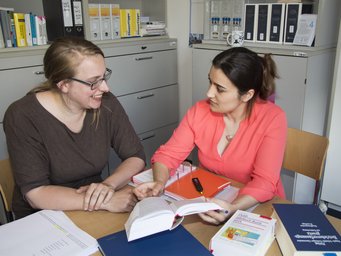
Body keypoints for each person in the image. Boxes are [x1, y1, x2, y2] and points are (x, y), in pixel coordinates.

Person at [134, 47, 287, 225]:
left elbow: (265, 182)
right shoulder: (200, 110)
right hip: (211, 202)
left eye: (220, 89)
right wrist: (159, 182)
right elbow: (168, 154)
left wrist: (232, 208)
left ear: (247, 95)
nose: (209, 93)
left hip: (256, 206)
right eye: (210, 82)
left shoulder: (273, 118)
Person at [3, 37, 146, 219]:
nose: (106, 88)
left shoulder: (106, 103)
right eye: (94, 81)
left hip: (94, 207)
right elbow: (36, 193)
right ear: (64, 85)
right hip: (43, 215)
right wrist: (105, 201)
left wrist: (108, 186)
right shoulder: (22, 115)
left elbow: (135, 156)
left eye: (104, 76)